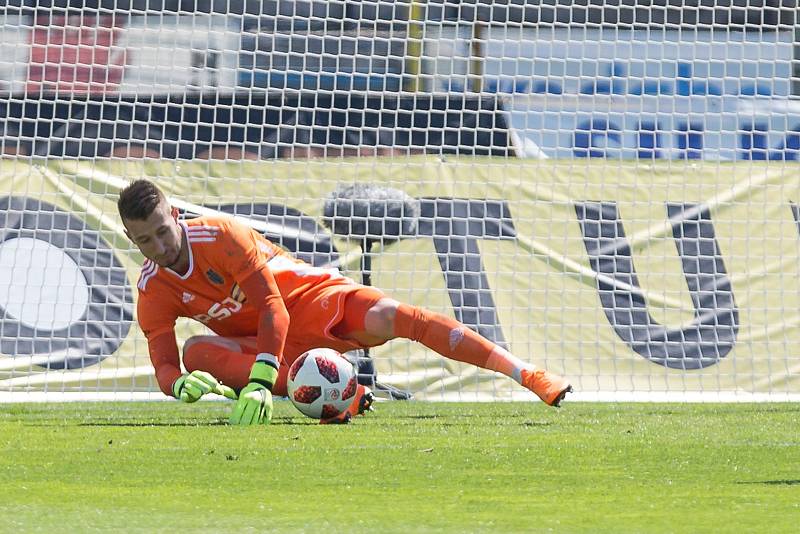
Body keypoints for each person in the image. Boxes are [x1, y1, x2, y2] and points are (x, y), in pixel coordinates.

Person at [118, 179, 572, 426]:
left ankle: (526, 373)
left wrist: (257, 381)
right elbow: (164, 362)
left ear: (175, 215)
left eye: (163, 230)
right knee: (196, 352)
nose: (158, 246)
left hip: (316, 300)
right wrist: (177, 384)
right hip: (275, 347)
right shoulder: (152, 289)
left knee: (398, 316)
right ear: (129, 237)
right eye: (144, 240)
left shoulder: (221, 235)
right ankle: (343, 398)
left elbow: (273, 306)